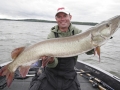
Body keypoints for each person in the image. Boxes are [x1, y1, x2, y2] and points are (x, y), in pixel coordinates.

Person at [29, 7, 93, 90]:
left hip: (69, 75)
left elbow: (89, 52)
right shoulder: (51, 35)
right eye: (59, 17)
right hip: (51, 74)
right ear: (56, 19)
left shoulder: (78, 33)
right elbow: (53, 64)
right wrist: (50, 60)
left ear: (70, 17)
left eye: (65, 16)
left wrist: (95, 43)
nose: (62, 19)